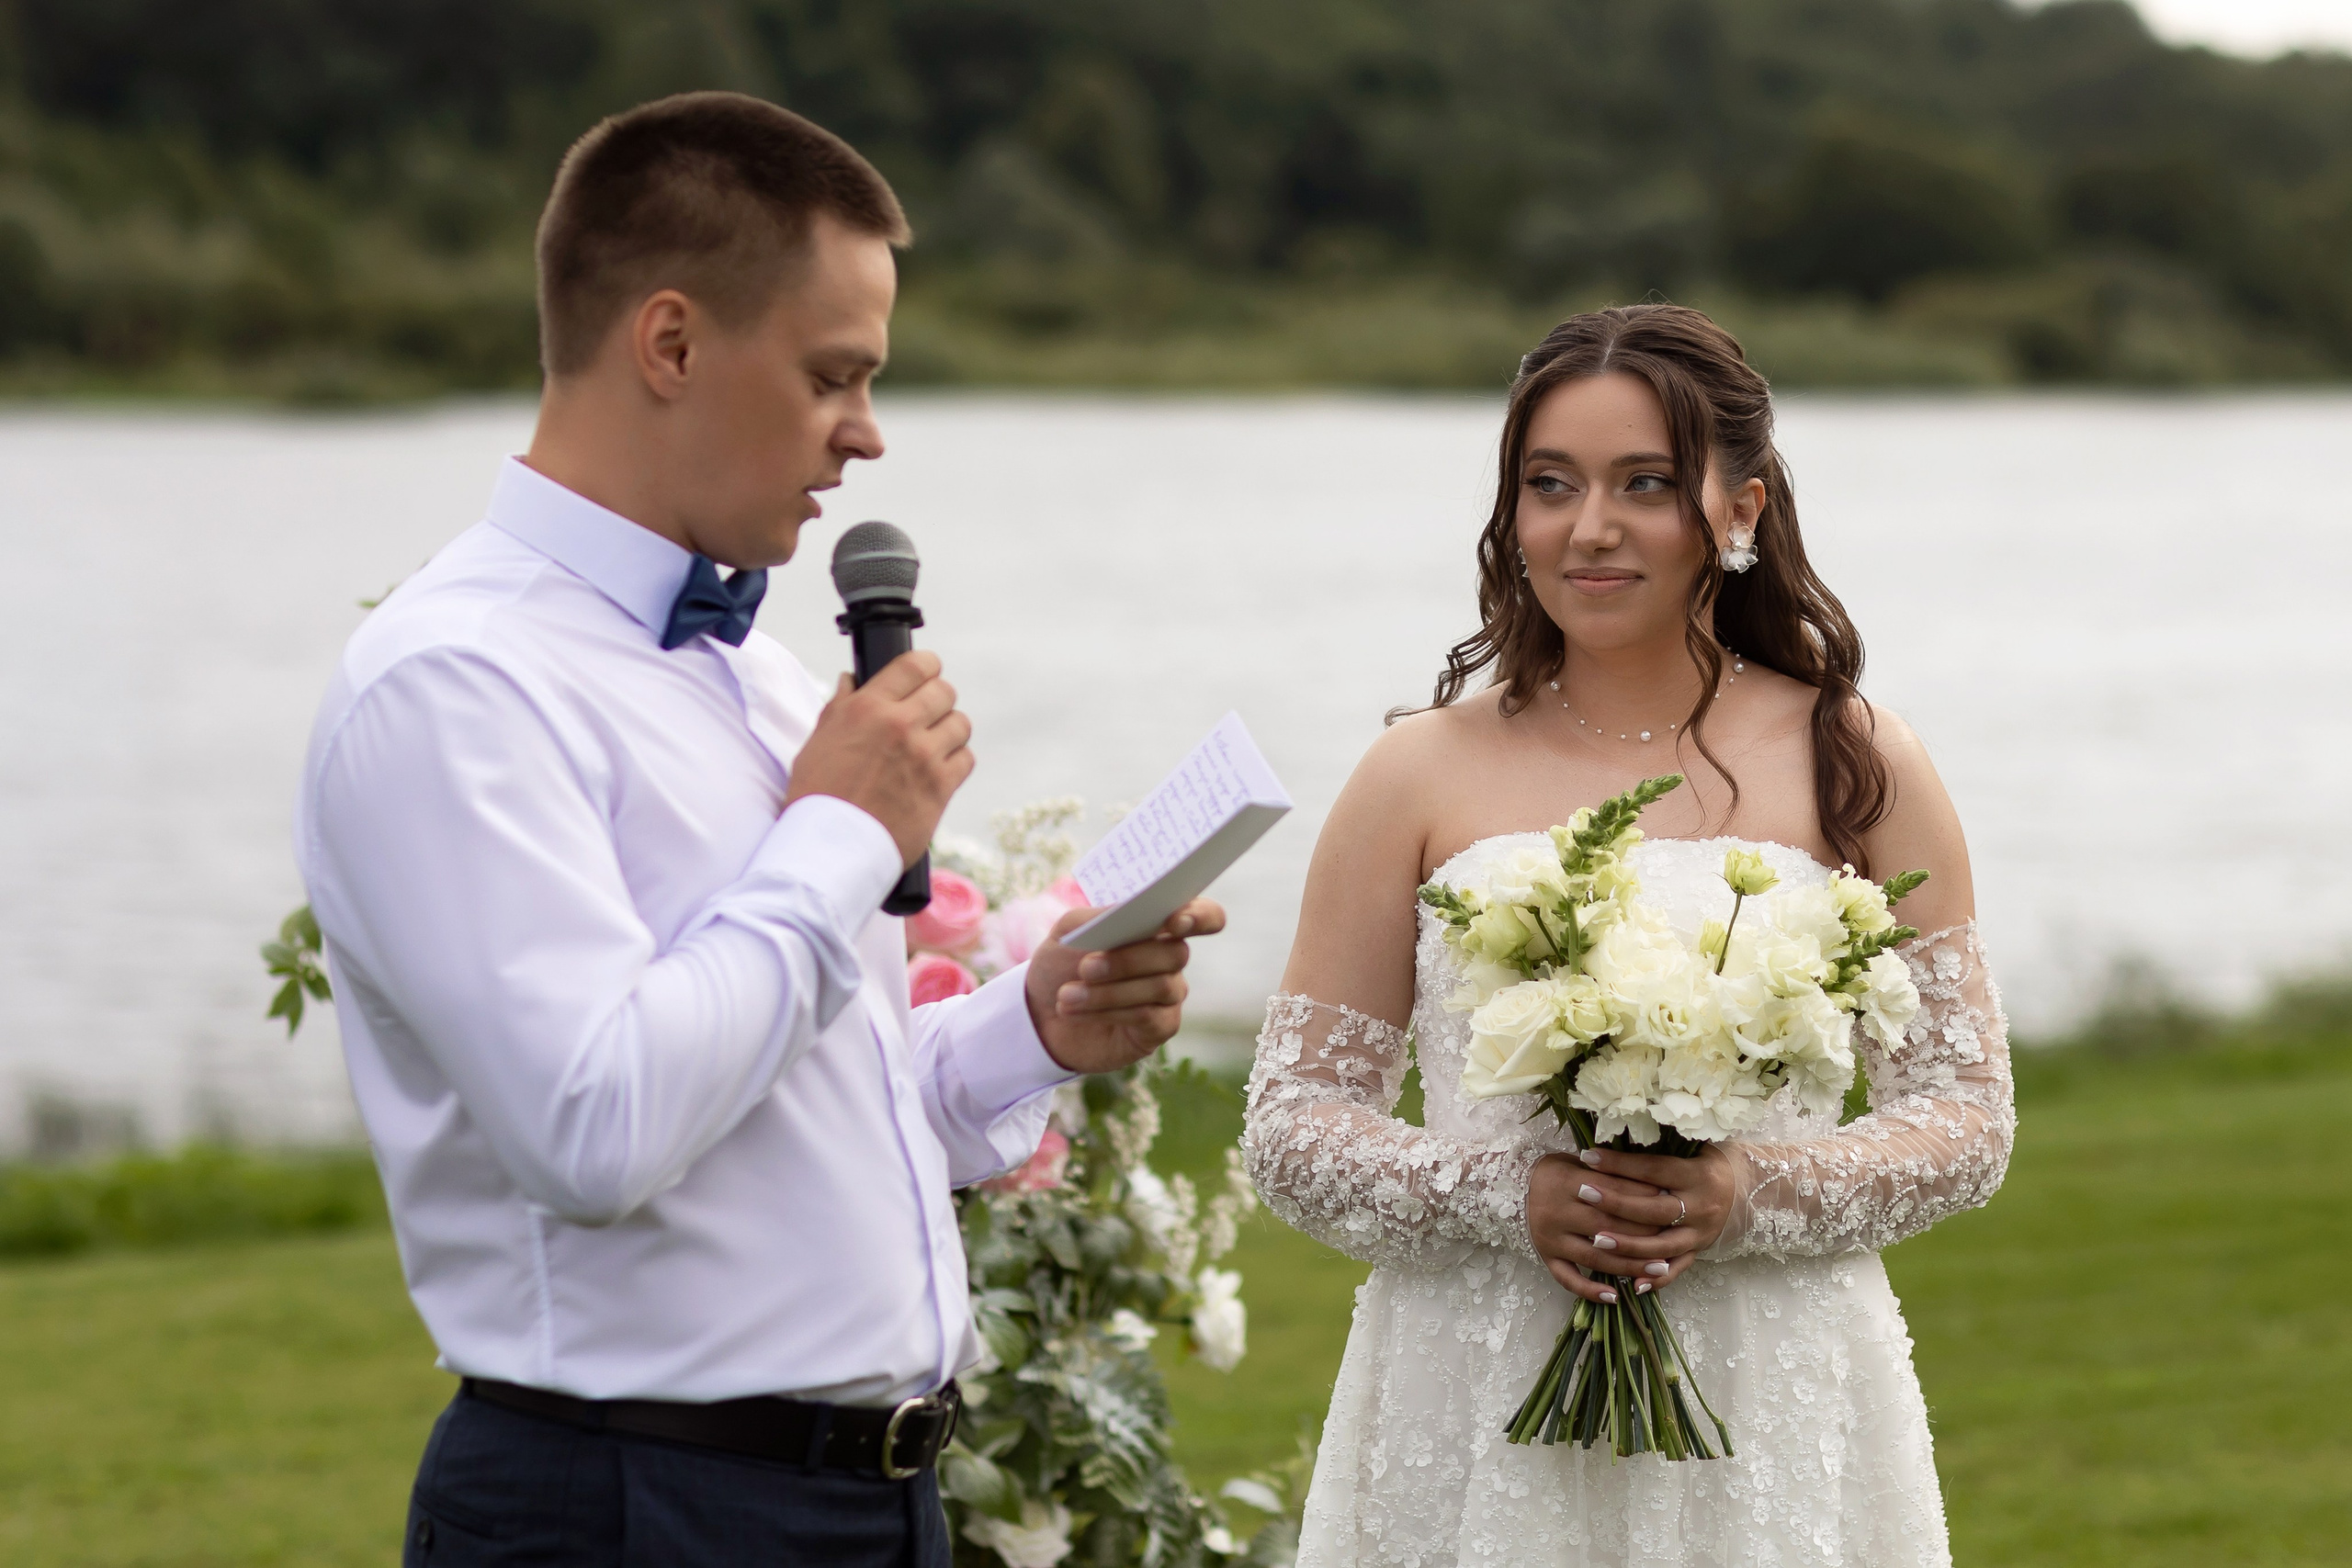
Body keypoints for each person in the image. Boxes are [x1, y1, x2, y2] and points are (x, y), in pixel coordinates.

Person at [293, 92, 1221, 1568]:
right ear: (669, 344)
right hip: (632, 1508)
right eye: (832, 375)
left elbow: (810, 1098)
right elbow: (596, 1125)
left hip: (862, 1505)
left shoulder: (762, 672)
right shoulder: (452, 685)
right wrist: (843, 828)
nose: (865, 435)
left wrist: (1032, 1030)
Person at [1243, 304, 2013, 1566]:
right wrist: (1518, 1197)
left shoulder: (1859, 761)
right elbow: (1292, 1126)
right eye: (1550, 485)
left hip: (1776, 1381)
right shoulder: (1414, 775)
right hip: (1481, 1382)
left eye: (1642, 484)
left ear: (1741, 509)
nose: (1587, 527)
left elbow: (1967, 1118)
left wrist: (1743, 1192)